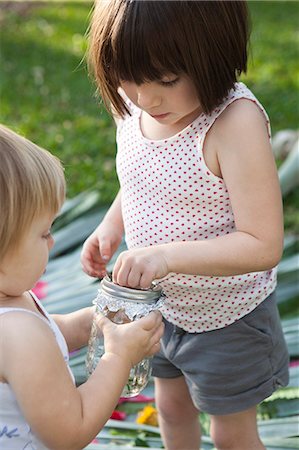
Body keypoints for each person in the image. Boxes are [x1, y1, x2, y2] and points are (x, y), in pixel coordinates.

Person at [81, 1, 289, 449]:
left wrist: (164, 256)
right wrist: (110, 228)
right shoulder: (136, 108)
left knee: (230, 433)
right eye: (129, 78)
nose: (146, 97)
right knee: (172, 412)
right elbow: (143, 178)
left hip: (227, 318)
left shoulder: (233, 124)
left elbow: (262, 243)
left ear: (213, 55)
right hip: (160, 311)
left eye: (167, 80)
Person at [0, 124, 164, 450]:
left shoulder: (13, 306)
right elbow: (70, 432)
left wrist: (98, 320)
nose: (52, 241)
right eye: (43, 233)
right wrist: (119, 356)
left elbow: (48, 333)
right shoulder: (18, 334)